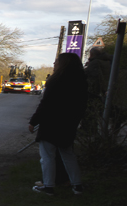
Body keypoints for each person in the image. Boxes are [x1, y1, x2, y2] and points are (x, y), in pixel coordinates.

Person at [29, 52, 88, 196]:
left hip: (51, 123)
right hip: (69, 124)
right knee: (68, 155)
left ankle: (48, 186)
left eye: (56, 62)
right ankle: (77, 185)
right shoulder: (81, 81)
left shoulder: (56, 80)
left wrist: (34, 121)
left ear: (63, 64)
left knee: (47, 156)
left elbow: (46, 104)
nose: (54, 64)